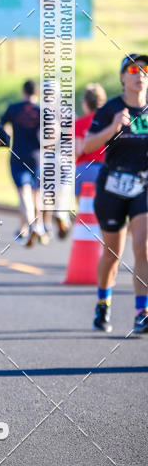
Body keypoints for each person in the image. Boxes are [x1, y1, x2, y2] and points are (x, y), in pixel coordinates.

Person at [83, 54, 148, 334]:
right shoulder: (111, 108)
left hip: (142, 187)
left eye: (145, 69)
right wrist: (113, 128)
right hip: (112, 186)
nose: (140, 73)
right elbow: (86, 146)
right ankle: (103, 303)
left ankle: (141, 312)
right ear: (123, 77)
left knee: (143, 249)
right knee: (113, 253)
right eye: (133, 69)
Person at [0, 80, 47, 246]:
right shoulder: (41, 110)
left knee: (24, 192)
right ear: (37, 93)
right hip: (38, 156)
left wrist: (7, 136)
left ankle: (31, 226)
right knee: (37, 193)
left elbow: (1, 128)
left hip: (18, 155)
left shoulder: (13, 108)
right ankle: (39, 225)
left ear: (23, 92)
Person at [74, 83, 107, 199]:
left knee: (83, 209)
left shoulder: (79, 123)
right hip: (105, 168)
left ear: (86, 102)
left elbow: (77, 151)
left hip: (84, 169)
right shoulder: (110, 122)